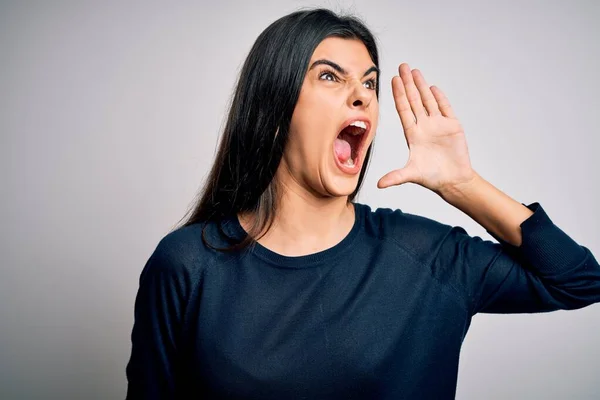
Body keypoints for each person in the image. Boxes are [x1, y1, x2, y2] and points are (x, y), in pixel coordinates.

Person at [125, 8, 600, 400]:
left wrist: (461, 184)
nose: (361, 96)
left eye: (369, 84)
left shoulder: (425, 256)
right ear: (274, 111)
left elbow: (578, 280)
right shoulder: (188, 265)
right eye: (330, 77)